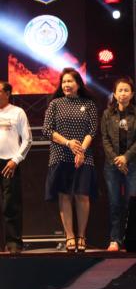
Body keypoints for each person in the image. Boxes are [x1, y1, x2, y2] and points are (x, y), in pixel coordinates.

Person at [43, 68, 97, 252]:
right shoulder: (55, 104)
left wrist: (81, 151)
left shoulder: (88, 104)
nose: (66, 85)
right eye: (64, 81)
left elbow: (92, 131)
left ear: (78, 84)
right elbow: (47, 130)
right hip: (60, 155)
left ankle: (81, 235)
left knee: (82, 195)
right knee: (64, 195)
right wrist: (68, 143)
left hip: (83, 156)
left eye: (70, 81)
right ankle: (69, 236)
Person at [101, 77, 136, 252]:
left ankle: (130, 239)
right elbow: (105, 139)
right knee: (114, 203)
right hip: (112, 166)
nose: (123, 93)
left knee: (130, 202)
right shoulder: (107, 114)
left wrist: (126, 158)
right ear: (114, 94)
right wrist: (117, 160)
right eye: (120, 90)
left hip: (132, 164)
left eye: (126, 90)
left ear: (132, 94)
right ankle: (114, 239)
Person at [0, 81, 32, 253]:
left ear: (7, 93)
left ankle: (13, 243)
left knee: (10, 205)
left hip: (9, 163)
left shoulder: (17, 112)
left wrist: (16, 160)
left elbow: (28, 140)